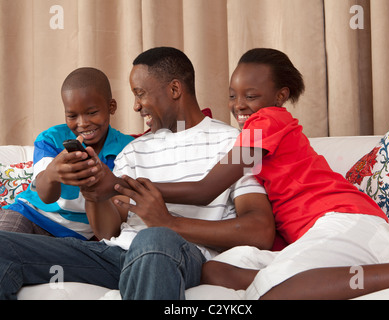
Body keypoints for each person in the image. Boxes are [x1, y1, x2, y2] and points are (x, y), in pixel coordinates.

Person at [0, 47, 275, 300]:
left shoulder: (236, 144)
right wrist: (94, 190)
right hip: (115, 255)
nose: (135, 106)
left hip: (177, 254)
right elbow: (108, 230)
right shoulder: (134, 149)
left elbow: (260, 231)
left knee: (153, 238)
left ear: (175, 89)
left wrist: (168, 224)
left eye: (140, 93)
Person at [148, 48, 389, 300]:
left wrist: (134, 187)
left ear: (280, 96)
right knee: (214, 270)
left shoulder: (267, 122)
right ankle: (295, 279)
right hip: (315, 238)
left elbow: (205, 190)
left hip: (350, 224)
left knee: (275, 291)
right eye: (232, 96)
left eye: (250, 96)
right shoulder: (255, 136)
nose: (239, 105)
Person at [0, 68, 134, 240]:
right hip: (29, 215)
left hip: (76, 236)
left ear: (111, 107)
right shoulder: (52, 138)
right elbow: (46, 196)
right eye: (72, 115)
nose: (83, 123)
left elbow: (114, 222)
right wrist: (52, 174)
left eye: (92, 113)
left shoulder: (128, 148)